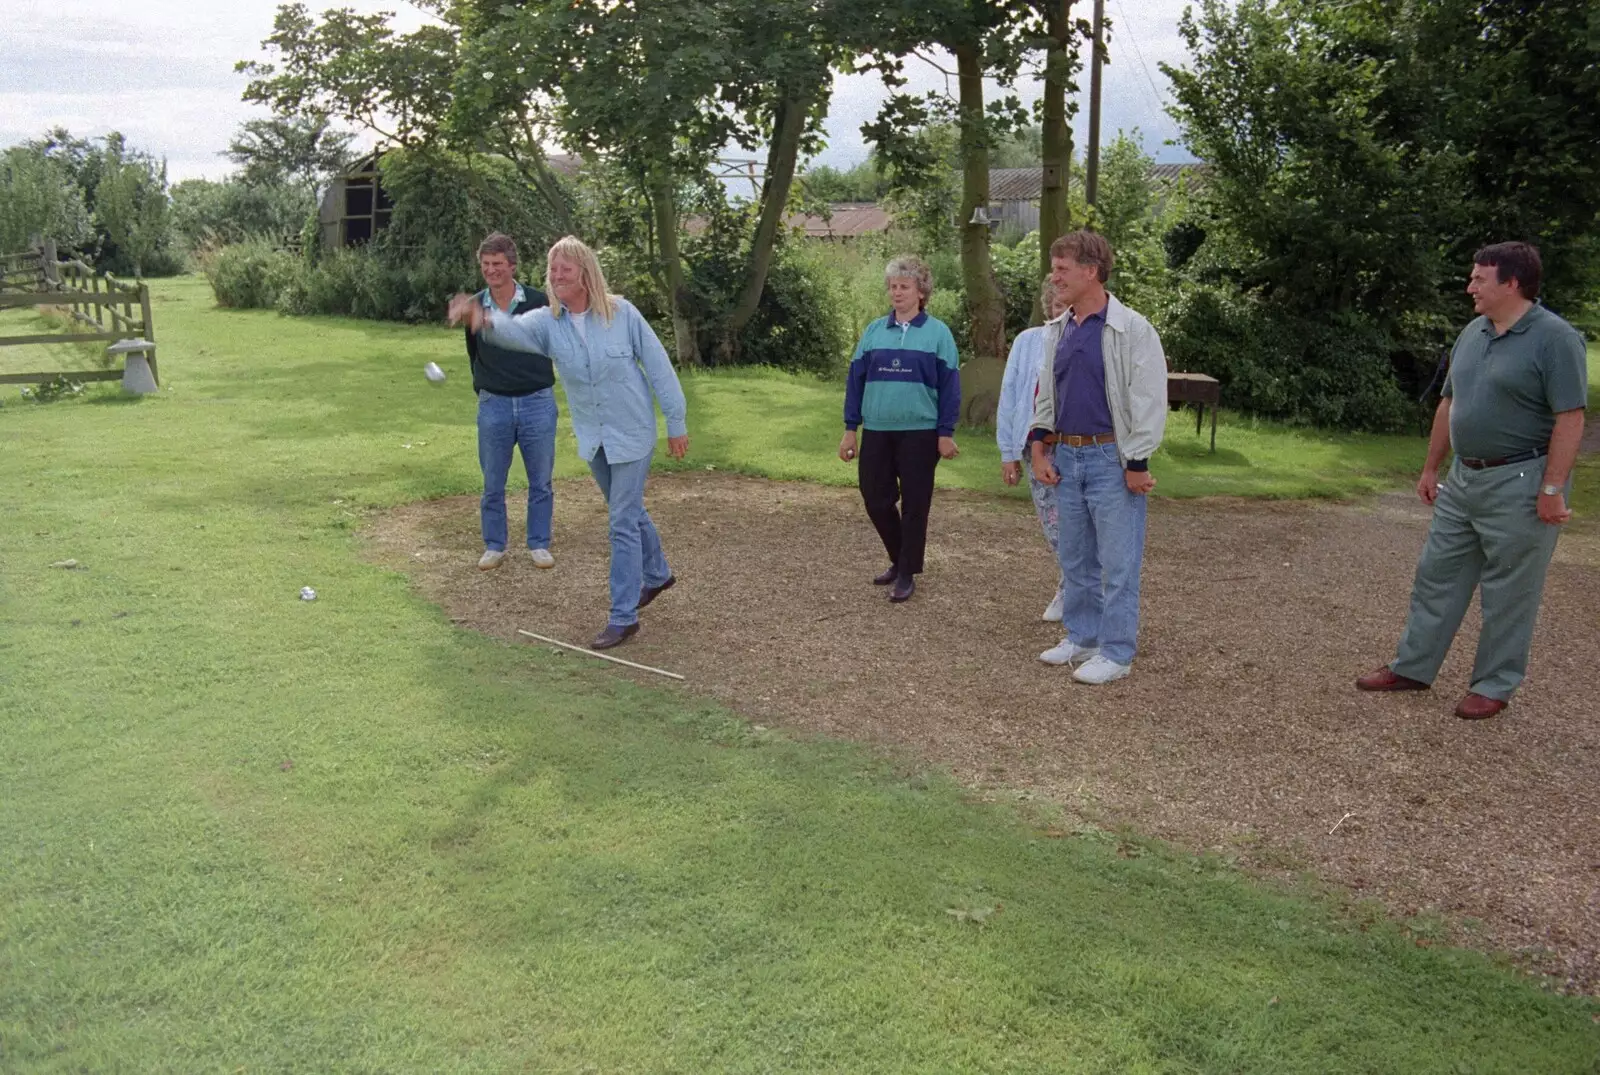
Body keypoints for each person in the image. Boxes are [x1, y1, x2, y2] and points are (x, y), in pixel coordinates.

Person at [1356, 242, 1587, 719]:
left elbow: (1571, 418)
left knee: (1510, 592)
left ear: (1512, 284)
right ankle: (1412, 667)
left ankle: (1494, 685)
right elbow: (1449, 402)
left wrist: (1551, 488)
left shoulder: (1555, 339)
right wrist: (1430, 467)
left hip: (1520, 480)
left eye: (1480, 279)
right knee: (1436, 576)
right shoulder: (1472, 332)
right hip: (1464, 479)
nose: (1470, 287)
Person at [449, 236, 689, 650]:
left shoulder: (622, 314)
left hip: (632, 433)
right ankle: (657, 574)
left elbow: (659, 368)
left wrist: (677, 421)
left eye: (566, 269)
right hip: (595, 438)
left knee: (620, 522)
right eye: (553, 269)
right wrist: (481, 317)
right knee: (627, 510)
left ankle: (623, 616)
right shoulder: (548, 321)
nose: (557, 276)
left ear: (585, 273)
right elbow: (513, 330)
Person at [1028, 231, 1168, 685]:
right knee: (1075, 558)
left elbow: (1148, 398)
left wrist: (1138, 462)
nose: (1056, 276)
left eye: (1063, 268)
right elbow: (1048, 394)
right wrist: (1038, 446)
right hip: (1067, 455)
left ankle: (1117, 652)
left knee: (1118, 562)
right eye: (1055, 268)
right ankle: (1083, 637)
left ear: (1092, 271)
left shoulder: (1132, 329)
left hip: (1112, 458)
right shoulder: (1059, 329)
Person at [838, 255, 961, 603]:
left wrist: (945, 432)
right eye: (893, 286)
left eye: (904, 287)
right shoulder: (875, 331)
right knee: (875, 498)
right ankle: (899, 557)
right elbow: (855, 381)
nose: (896, 292)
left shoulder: (939, 334)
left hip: (920, 433)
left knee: (915, 504)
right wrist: (851, 429)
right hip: (877, 429)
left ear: (921, 292)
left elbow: (951, 387)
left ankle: (906, 572)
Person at [464, 233, 557, 572]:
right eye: (486, 265)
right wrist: (486, 388)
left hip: (538, 402)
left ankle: (539, 543)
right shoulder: (476, 305)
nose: (492, 271)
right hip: (494, 405)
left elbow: (552, 344)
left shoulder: (540, 302)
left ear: (512, 266)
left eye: (498, 264)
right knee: (492, 482)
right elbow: (474, 353)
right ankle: (494, 545)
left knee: (541, 479)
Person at [998, 278, 1069, 621]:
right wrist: (1007, 452)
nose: (1063, 313)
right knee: (1053, 523)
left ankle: (1081, 588)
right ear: (1047, 307)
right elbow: (1010, 396)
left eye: (1068, 306)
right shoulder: (1027, 343)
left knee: (1083, 522)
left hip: (1077, 446)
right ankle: (1070, 585)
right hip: (1035, 448)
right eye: (1057, 306)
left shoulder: (1092, 341)